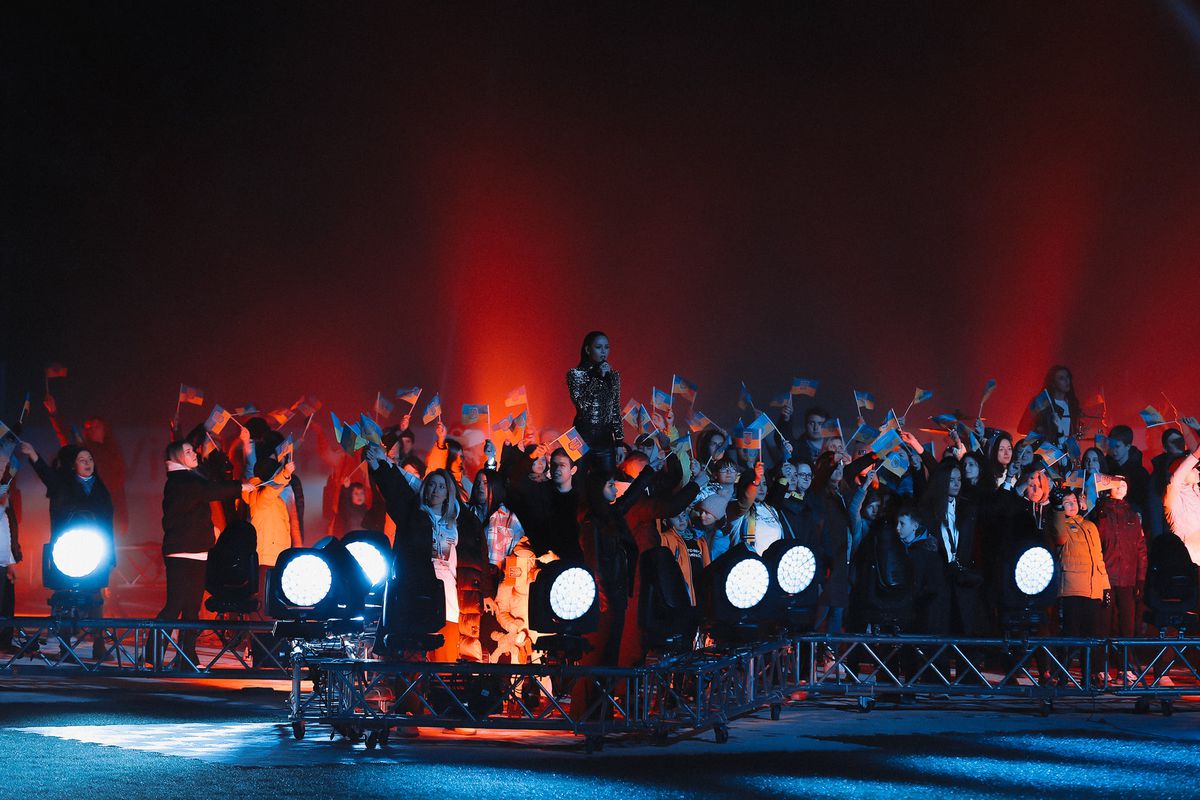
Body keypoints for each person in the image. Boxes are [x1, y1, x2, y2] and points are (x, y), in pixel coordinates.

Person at [158, 439, 254, 667]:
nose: (194, 454)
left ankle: (187, 657)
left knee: (192, 608)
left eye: (193, 450)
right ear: (177, 458)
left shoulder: (191, 478)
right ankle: (152, 653)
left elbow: (207, 486)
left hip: (198, 551)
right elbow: (210, 490)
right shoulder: (181, 480)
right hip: (181, 552)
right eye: (188, 451)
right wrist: (240, 487)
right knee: (174, 605)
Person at [1092, 478, 1147, 638]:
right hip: (1106, 578)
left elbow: (1141, 549)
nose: (1120, 487)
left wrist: (1140, 579)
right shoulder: (1101, 512)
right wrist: (1100, 512)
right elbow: (1098, 540)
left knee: (1127, 624)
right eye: (1116, 484)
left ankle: (1126, 653)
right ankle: (1102, 653)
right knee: (1104, 623)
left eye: (1123, 485)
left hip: (1128, 579)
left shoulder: (1133, 515)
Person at [566, 331, 624, 472]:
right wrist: (598, 377)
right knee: (577, 477)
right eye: (598, 347)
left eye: (606, 347)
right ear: (588, 349)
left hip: (605, 436)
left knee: (607, 479)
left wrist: (619, 442)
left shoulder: (613, 376)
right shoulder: (575, 374)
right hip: (581, 433)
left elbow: (615, 409)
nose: (603, 351)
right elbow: (582, 404)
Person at [1105, 425, 1151, 519]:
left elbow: (1144, 502)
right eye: (1112, 446)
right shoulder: (1105, 469)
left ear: (1128, 446)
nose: (1114, 450)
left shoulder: (1140, 474)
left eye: (1117, 446)